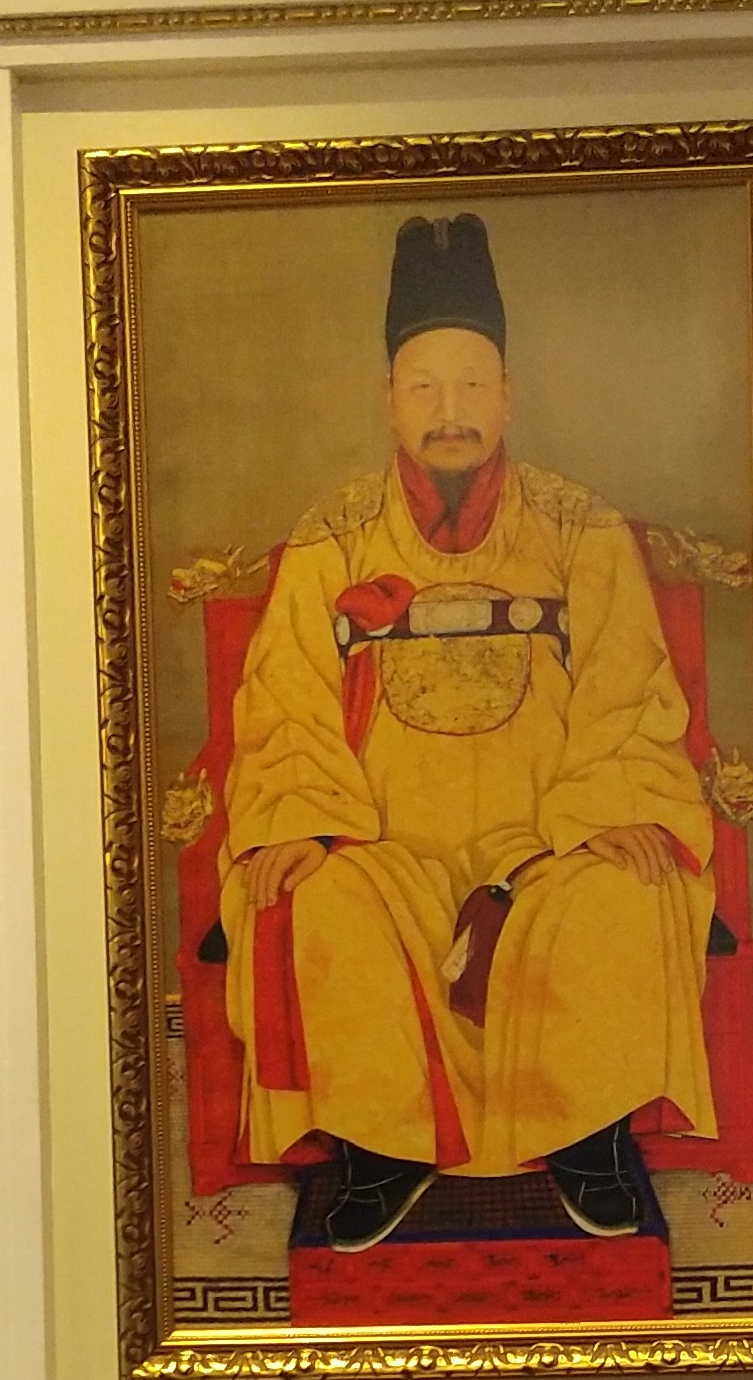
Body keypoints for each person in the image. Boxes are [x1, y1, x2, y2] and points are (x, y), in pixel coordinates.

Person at [219, 210, 718, 1248]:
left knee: (623, 891)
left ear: (508, 395)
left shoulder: (580, 529)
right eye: (424, 389)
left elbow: (627, 686)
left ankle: (585, 1136)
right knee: (322, 901)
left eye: (472, 387)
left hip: (548, 834)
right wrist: (304, 821)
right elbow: (286, 695)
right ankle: (383, 1148)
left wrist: (610, 809)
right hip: (382, 837)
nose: (450, 413)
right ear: (389, 400)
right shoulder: (332, 537)